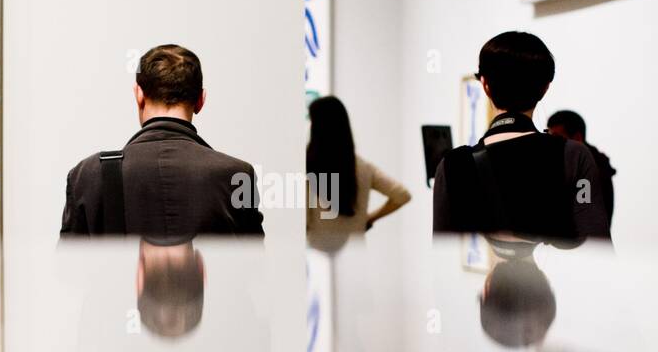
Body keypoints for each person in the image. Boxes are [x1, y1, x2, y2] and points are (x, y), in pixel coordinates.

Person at [60, 45, 264, 239]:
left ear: (139, 95)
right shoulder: (238, 176)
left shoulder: (87, 175)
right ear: (200, 100)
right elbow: (255, 270)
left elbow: (68, 272)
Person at [432, 31, 610, 244]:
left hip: (484, 278)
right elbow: (597, 248)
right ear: (545, 88)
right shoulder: (573, 155)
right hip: (553, 278)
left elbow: (443, 259)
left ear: (485, 85)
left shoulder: (452, 165)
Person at [305, 96, 411, 253]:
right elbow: (402, 195)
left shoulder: (308, 167)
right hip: (355, 257)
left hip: (319, 255)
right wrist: (369, 218)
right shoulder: (363, 167)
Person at [545, 109, 616, 227]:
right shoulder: (590, 164)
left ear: (577, 138)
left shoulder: (589, 170)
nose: (551, 144)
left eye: (557, 138)